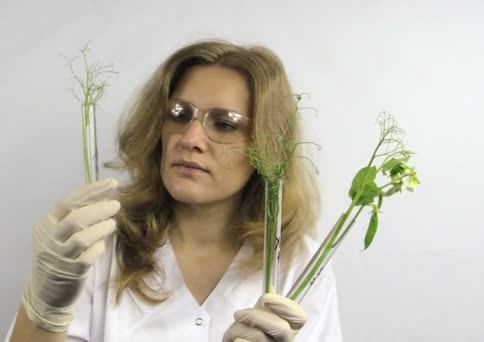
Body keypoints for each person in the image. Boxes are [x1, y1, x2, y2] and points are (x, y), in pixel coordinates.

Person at [6, 39, 342, 341]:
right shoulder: (96, 245)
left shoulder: (298, 266)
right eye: (179, 115)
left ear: (266, 147)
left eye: (224, 124)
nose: (190, 139)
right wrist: (43, 311)